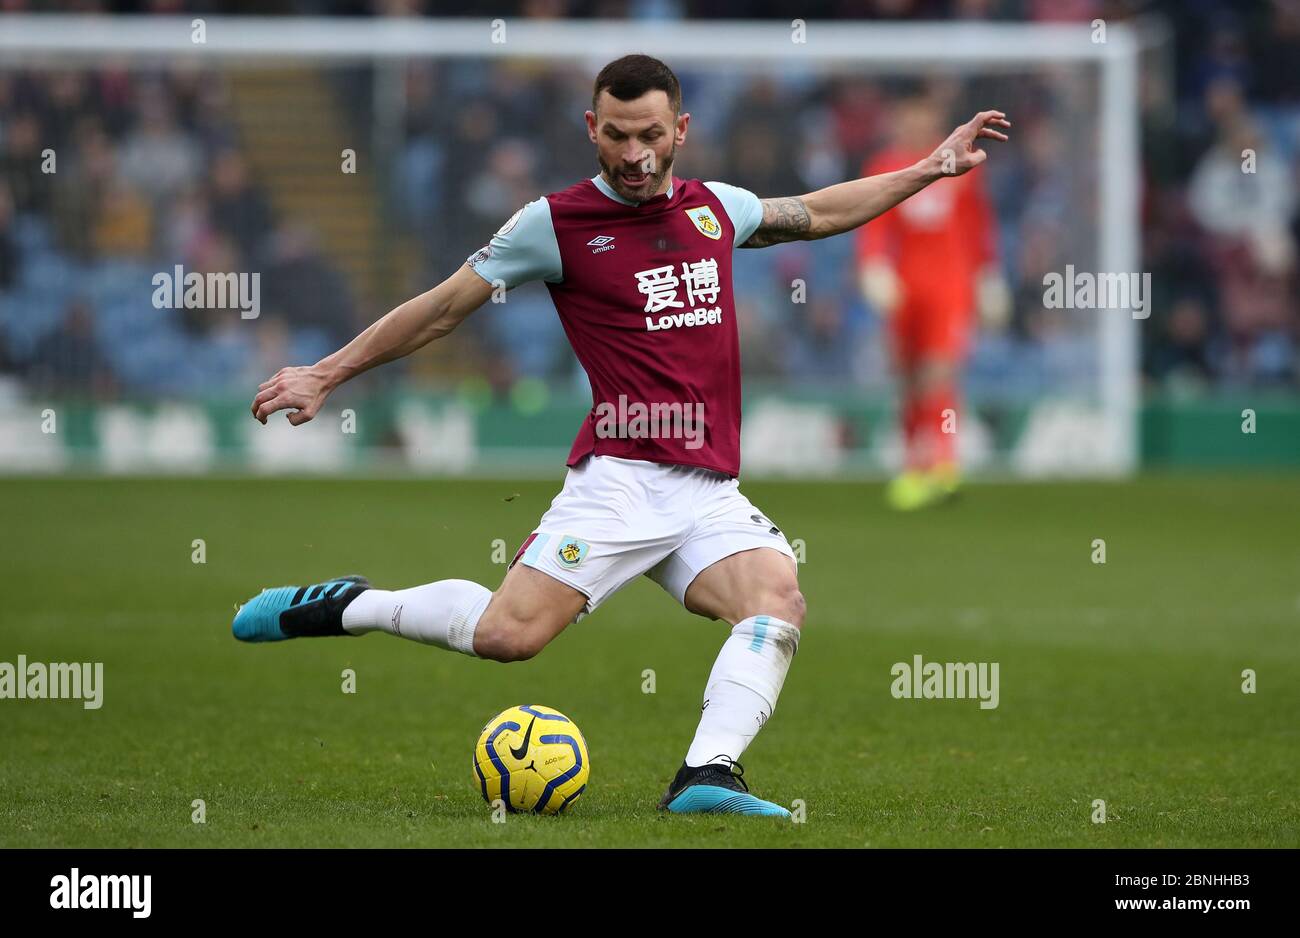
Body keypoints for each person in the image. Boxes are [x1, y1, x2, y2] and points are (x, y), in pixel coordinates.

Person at [234, 55, 1009, 816]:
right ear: (591, 130)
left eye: (649, 136)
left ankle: (707, 774)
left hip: (708, 490)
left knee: (777, 598)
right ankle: (353, 605)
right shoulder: (554, 223)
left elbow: (821, 211)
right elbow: (440, 308)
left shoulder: (716, 209)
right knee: (507, 638)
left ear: (680, 128)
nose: (634, 156)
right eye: (616, 137)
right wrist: (327, 374)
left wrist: (930, 168)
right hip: (620, 481)